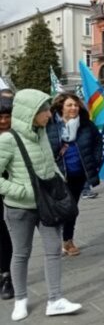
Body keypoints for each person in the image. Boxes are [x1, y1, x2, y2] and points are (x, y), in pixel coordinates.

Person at [0, 89, 82, 321]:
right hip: (19, 207)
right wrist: (21, 191)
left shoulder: (43, 133)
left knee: (53, 249)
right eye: (44, 109)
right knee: (21, 253)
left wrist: (59, 180)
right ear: (31, 112)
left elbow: (49, 162)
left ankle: (55, 299)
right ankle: (21, 299)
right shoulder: (8, 139)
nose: (49, 113)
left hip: (47, 204)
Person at [46, 94, 102, 257]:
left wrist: (95, 161)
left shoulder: (86, 125)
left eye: (76, 105)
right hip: (57, 175)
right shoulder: (50, 125)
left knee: (71, 209)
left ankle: (67, 240)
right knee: (57, 210)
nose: (74, 108)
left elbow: (98, 143)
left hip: (78, 174)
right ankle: (54, 240)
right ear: (60, 107)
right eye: (69, 105)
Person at [0, 97, 14, 300]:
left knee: (2, 233)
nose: (3, 121)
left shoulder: (17, 136)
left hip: (11, 189)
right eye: (0, 117)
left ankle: (6, 275)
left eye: (7, 117)